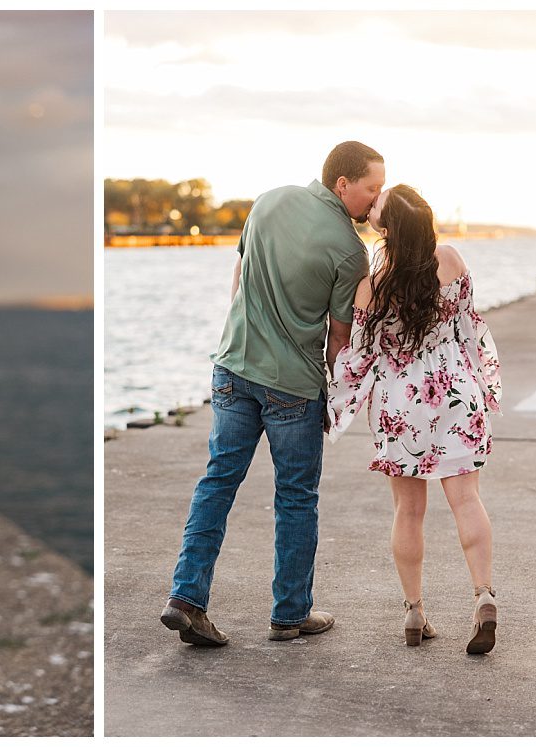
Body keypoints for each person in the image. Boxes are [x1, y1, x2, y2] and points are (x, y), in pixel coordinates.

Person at [160, 141, 385, 645]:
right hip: (293, 387)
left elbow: (239, 276)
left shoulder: (268, 200)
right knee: (296, 499)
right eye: (371, 188)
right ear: (343, 183)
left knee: (217, 483)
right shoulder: (352, 252)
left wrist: (237, 336)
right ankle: (289, 615)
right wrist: (337, 397)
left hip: (233, 367)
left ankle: (185, 597)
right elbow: (339, 336)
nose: (376, 200)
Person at [327, 184, 501, 654]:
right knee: (466, 500)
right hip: (455, 396)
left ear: (385, 229)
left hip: (400, 406)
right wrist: (484, 384)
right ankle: (484, 597)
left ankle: (414, 610)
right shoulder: (452, 260)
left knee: (408, 511)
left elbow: (357, 358)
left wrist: (332, 401)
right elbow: (469, 328)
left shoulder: (371, 285)